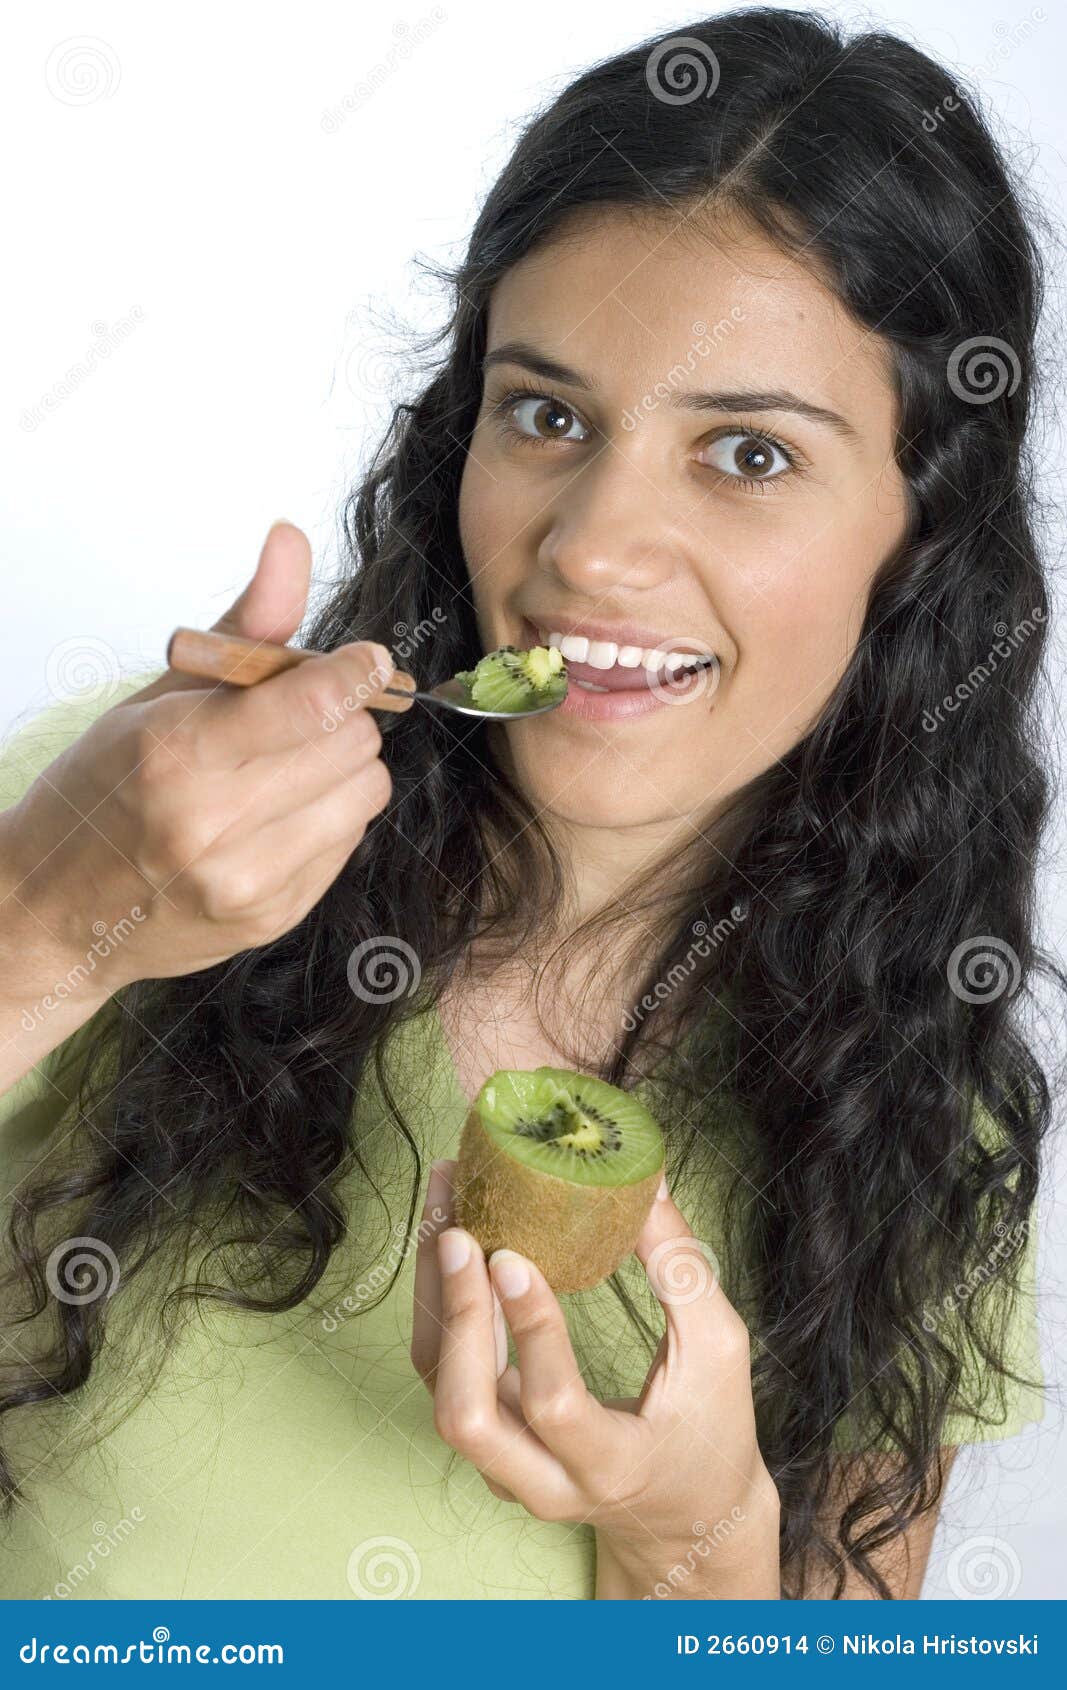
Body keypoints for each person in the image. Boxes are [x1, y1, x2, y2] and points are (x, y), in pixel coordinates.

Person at [0, 8, 1058, 1600]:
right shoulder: (138, 815)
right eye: (549, 416)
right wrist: (50, 925)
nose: (590, 548)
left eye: (750, 454)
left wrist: (687, 1535)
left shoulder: (917, 1100)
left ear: (918, 538)